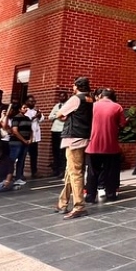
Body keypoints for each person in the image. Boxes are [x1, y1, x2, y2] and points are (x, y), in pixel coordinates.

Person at [55, 77, 94, 219]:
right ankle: (62, 202)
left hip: (73, 138)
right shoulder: (90, 100)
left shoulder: (75, 99)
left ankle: (79, 206)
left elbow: (59, 114)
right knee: (70, 172)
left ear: (76, 86)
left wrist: (66, 117)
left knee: (75, 172)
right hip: (84, 137)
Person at [86, 88, 126, 203]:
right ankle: (111, 194)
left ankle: (90, 196)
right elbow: (122, 124)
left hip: (93, 145)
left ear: (101, 96)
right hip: (111, 146)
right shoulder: (117, 107)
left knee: (92, 172)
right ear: (112, 96)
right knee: (110, 172)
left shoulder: (92, 106)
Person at [8, 102, 33, 188]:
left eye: (26, 108)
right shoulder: (16, 118)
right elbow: (15, 131)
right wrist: (23, 140)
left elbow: (31, 130)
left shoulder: (27, 118)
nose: (26, 109)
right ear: (19, 109)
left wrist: (30, 139)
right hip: (16, 142)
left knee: (21, 160)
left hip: (26, 142)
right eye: (24, 107)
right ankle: (9, 177)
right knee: (12, 159)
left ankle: (19, 177)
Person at [48, 89, 69, 177]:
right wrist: (58, 115)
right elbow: (50, 117)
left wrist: (58, 116)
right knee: (55, 150)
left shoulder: (68, 105)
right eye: (60, 96)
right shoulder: (57, 106)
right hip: (55, 130)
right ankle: (55, 169)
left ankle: (62, 170)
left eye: (63, 96)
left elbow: (66, 117)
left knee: (62, 152)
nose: (61, 97)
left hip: (63, 130)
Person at [24, 95, 42, 178]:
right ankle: (20, 173)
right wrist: (35, 116)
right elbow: (26, 120)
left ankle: (34, 172)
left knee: (34, 155)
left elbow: (42, 119)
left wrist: (39, 115)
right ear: (27, 102)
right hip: (26, 137)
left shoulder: (36, 110)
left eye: (34, 101)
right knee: (23, 155)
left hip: (35, 137)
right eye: (31, 101)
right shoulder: (24, 110)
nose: (33, 103)